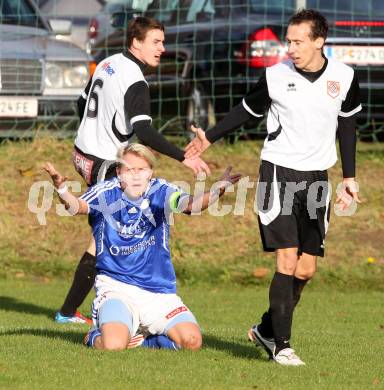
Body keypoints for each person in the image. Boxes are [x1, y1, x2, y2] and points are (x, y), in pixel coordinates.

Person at [184, 9, 362, 365]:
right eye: (289, 41)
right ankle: (282, 345)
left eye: (298, 42)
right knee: (286, 258)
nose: (291, 48)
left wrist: (349, 177)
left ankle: (266, 329)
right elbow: (246, 110)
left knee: (306, 269)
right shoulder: (276, 75)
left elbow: (347, 128)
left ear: (319, 41)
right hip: (278, 172)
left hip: (317, 179)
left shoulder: (344, 77)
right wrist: (210, 138)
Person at [55, 16, 211, 324]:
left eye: (163, 42)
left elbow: (81, 103)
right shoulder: (136, 81)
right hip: (104, 163)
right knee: (110, 238)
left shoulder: (108, 62)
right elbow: (145, 130)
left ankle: (73, 310)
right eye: (156, 42)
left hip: (82, 153)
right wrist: (184, 157)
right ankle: (90, 310)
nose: (162, 49)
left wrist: (109, 137)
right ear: (136, 42)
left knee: (111, 233)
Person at [44, 143, 240, 350]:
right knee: (113, 345)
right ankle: (94, 335)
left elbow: (190, 205)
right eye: (129, 169)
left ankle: (145, 340)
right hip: (116, 288)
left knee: (192, 342)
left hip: (157, 291)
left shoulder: (162, 191)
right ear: (119, 171)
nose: (135, 175)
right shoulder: (106, 192)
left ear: (150, 172)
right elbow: (77, 207)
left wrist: (217, 190)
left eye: (141, 169)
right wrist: (62, 189)